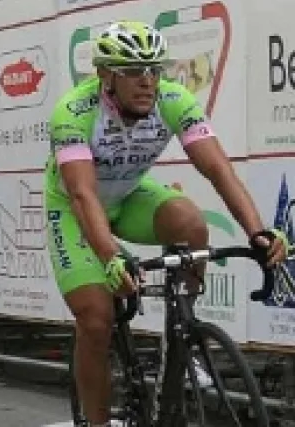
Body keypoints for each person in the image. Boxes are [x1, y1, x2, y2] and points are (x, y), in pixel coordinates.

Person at [45, 21, 291, 427]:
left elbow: (218, 169)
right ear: (105, 74)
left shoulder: (173, 99)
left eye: (154, 69)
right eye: (133, 70)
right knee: (96, 319)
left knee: (190, 224)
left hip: (128, 196)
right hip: (74, 210)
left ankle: (182, 339)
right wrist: (109, 256)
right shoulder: (73, 112)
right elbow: (82, 195)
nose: (147, 81)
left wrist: (257, 232)